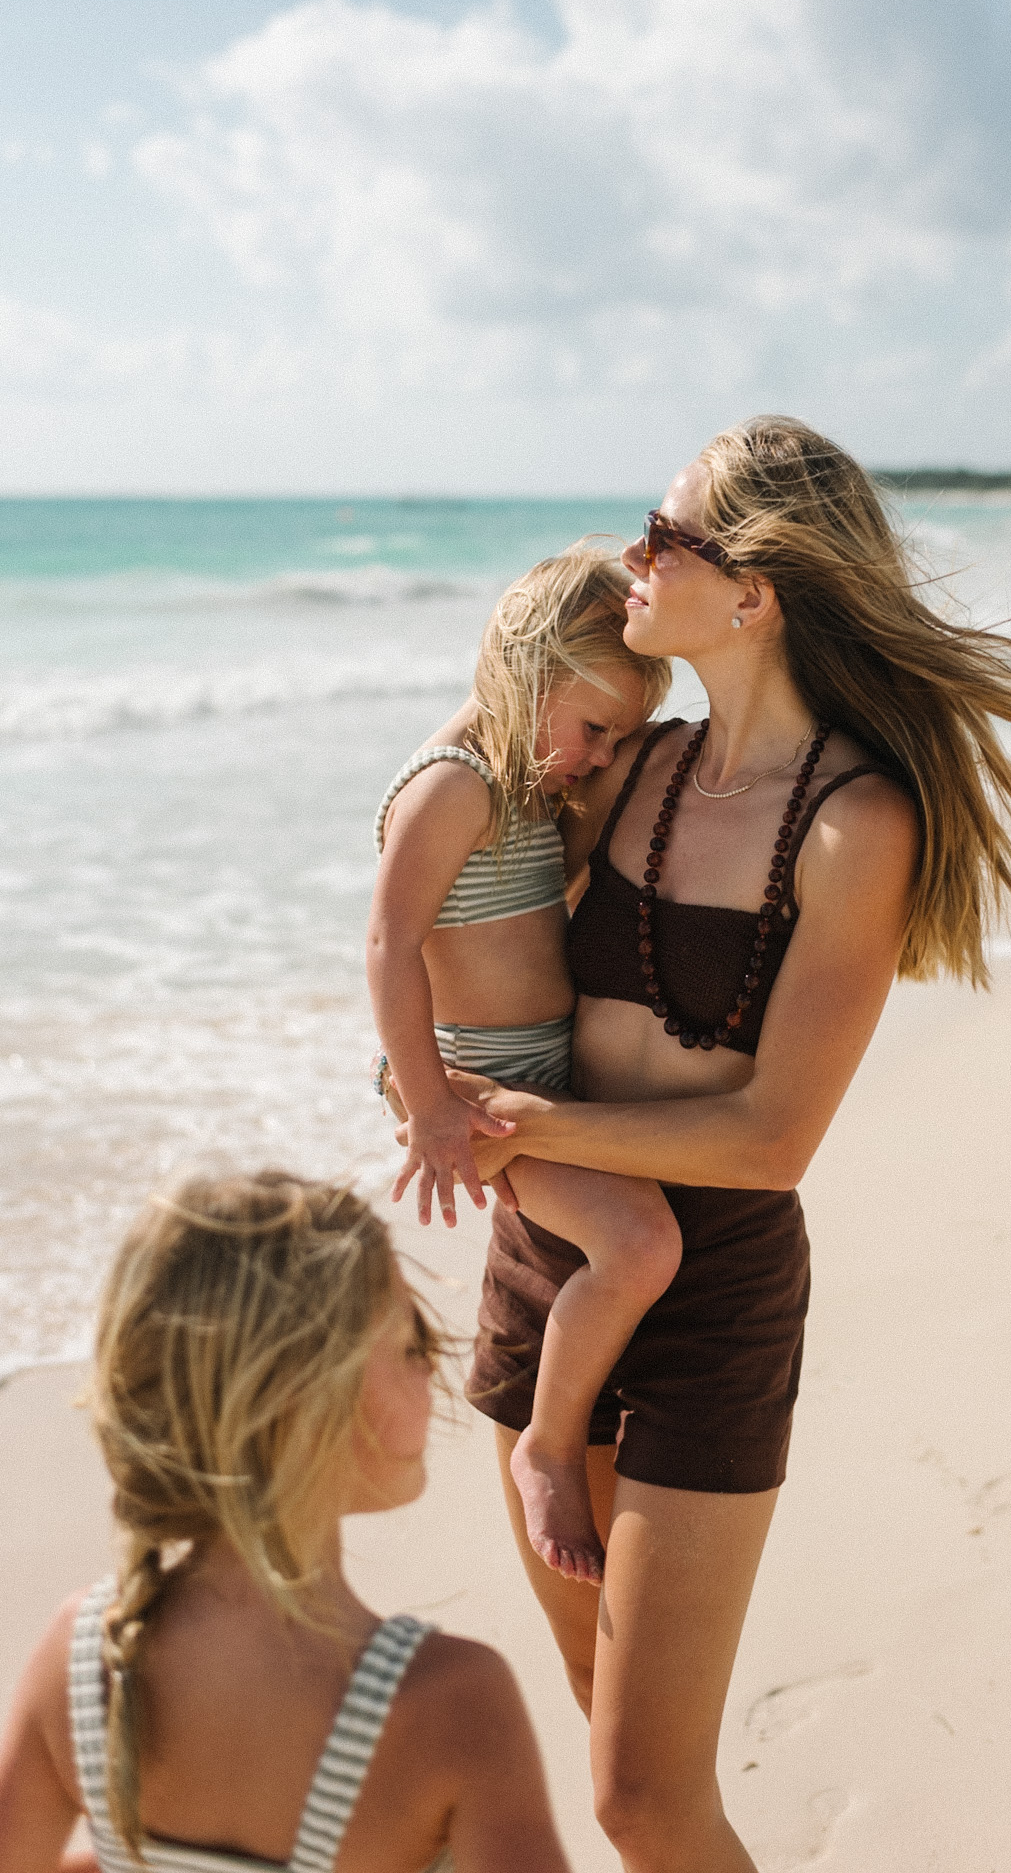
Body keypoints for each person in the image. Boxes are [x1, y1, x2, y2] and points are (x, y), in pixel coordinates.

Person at [420, 417, 1011, 1873]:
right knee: (600, 1717)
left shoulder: (859, 822)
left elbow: (772, 1134)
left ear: (754, 593)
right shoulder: (632, 767)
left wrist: (530, 1123)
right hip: (544, 1258)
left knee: (641, 1800)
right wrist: (421, 1081)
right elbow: (461, 919)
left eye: (669, 534)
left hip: (708, 1296)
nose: (637, 554)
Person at [0, 1170, 571, 1873]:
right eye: (408, 1347)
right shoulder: (447, 1699)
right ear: (309, 1408)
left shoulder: (84, 1659)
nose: (431, 1372)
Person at [367, 546, 680, 1586]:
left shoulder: (522, 784)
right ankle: (549, 1443)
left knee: (640, 1233)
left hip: (545, 1080)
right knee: (637, 1245)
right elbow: (388, 947)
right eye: (593, 730)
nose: (594, 757)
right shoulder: (452, 787)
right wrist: (428, 1106)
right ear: (529, 667)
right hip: (482, 1091)